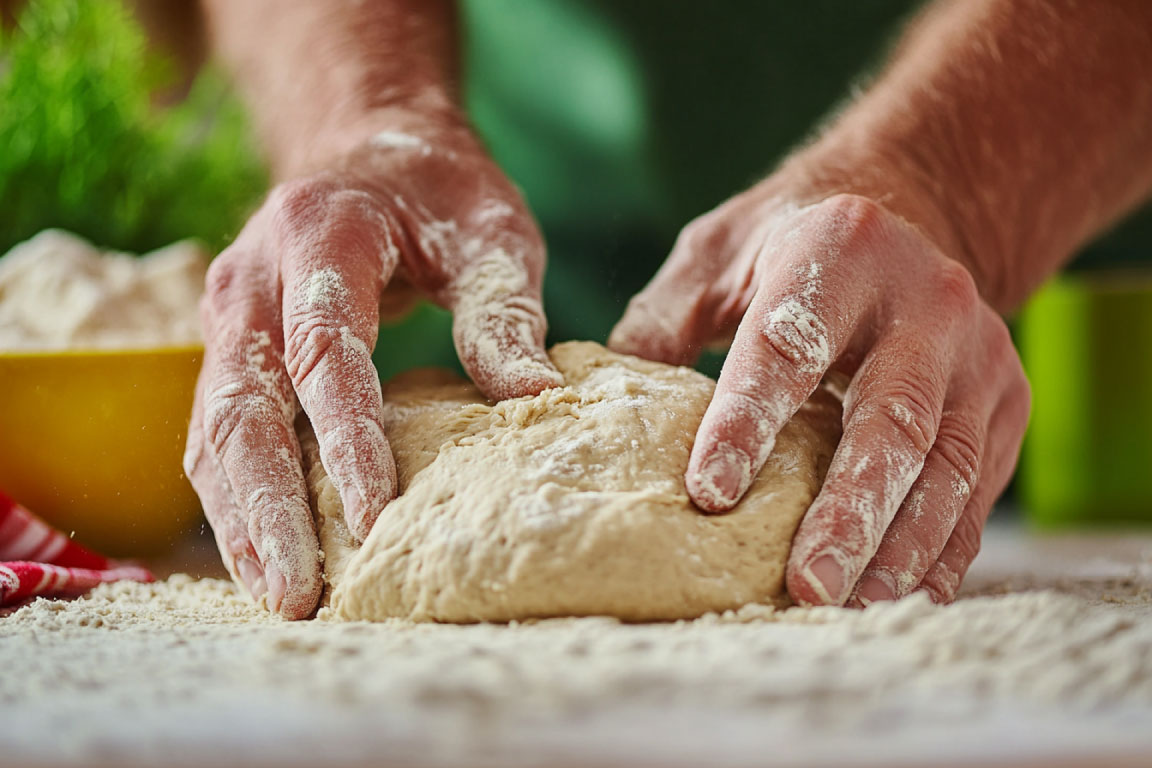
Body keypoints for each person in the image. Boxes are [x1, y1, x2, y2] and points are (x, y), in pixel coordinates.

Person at [174, 0, 1152, 619]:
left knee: (886, 500)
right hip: (495, 240)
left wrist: (943, 178)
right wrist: (364, 118)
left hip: (1036, 310)